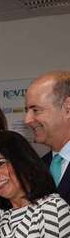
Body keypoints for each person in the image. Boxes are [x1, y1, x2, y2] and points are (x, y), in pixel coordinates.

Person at [25, 70, 70, 205]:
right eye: (26, 110)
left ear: (68, 109)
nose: (27, 120)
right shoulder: (37, 169)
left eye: (36, 110)